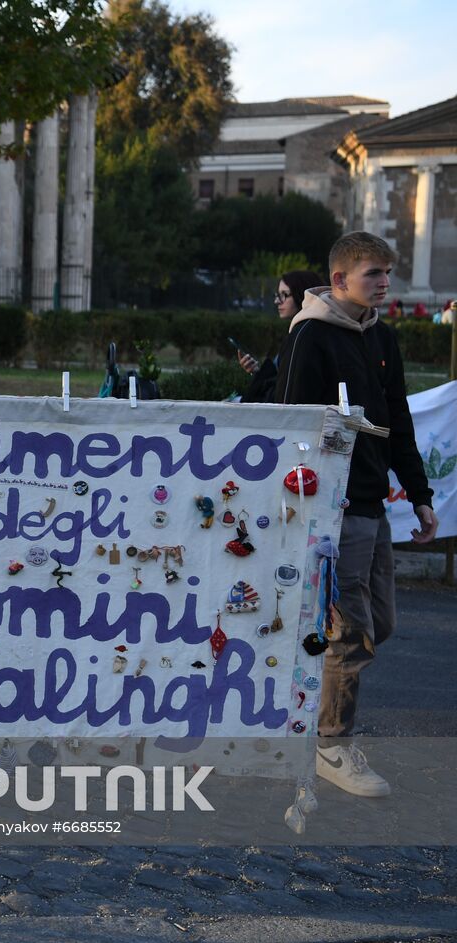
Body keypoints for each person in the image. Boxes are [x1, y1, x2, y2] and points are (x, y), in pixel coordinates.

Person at [275, 231, 438, 797]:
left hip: (373, 507)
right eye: (374, 274)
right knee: (349, 633)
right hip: (330, 509)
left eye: (388, 274)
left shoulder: (382, 337)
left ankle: (299, 712)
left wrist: (419, 494)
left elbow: (399, 423)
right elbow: (292, 424)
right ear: (340, 279)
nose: (385, 284)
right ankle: (330, 746)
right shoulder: (310, 337)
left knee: (379, 625)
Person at [237, 270, 326, 403]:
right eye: (277, 295)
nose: (277, 301)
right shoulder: (300, 331)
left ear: (302, 295)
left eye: (284, 295)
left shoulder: (304, 336)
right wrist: (257, 372)